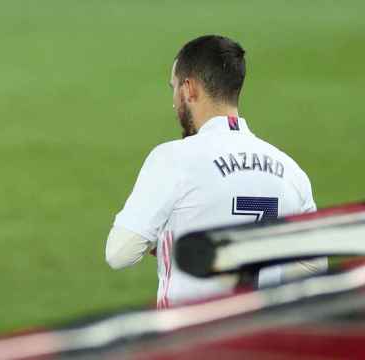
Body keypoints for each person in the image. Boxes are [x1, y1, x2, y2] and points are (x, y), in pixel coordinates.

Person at [105, 35, 326, 309]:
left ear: (189, 89)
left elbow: (119, 253)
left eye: (174, 88)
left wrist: (170, 241)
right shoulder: (291, 172)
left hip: (192, 340)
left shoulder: (173, 158)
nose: (174, 101)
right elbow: (314, 267)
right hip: (260, 341)